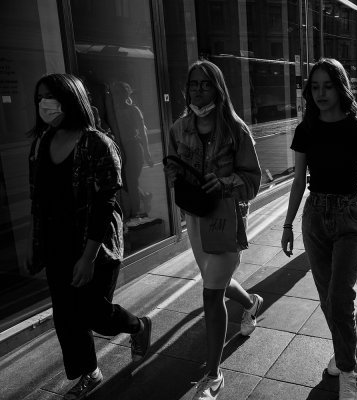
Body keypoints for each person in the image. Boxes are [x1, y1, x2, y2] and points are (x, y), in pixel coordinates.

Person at [26, 74, 152, 400]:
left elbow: (105, 203)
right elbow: (38, 201)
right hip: (56, 246)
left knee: (95, 314)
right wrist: (38, 246)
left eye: (51, 96)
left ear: (71, 98)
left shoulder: (97, 143)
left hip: (96, 246)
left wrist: (88, 257)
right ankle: (89, 373)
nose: (44, 104)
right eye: (40, 97)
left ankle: (137, 325)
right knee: (67, 319)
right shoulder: (41, 144)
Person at [280, 58, 357, 400]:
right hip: (314, 217)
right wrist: (287, 225)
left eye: (327, 86)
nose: (320, 93)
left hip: (348, 216)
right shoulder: (306, 129)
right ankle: (343, 351)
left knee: (341, 298)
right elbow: (299, 181)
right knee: (327, 299)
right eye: (314, 87)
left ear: (341, 86)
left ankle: (347, 371)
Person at [163, 60, 262, 400]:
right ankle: (251, 303)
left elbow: (253, 181)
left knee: (210, 292)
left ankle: (213, 374)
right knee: (213, 280)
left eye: (206, 85)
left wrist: (223, 183)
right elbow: (174, 164)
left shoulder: (236, 130)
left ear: (218, 89)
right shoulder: (179, 129)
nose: (198, 91)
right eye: (193, 84)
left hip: (227, 216)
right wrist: (175, 176)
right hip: (195, 218)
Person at [108, 81, 154, 227]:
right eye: (115, 93)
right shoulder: (112, 111)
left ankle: (136, 213)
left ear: (126, 94)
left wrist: (147, 153)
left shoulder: (133, 110)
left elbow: (143, 132)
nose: (117, 96)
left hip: (133, 148)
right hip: (119, 149)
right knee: (127, 182)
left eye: (120, 93)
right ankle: (144, 198)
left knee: (131, 181)